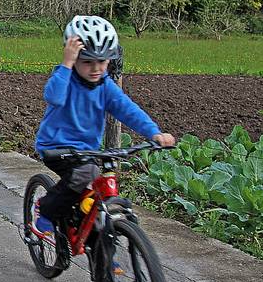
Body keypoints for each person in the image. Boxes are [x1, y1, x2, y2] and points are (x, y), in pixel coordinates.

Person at [33, 15, 176, 238]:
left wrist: (154, 132)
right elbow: (54, 96)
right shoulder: (65, 79)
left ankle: (103, 261)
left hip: (87, 149)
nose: (95, 69)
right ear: (75, 59)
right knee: (86, 173)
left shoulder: (106, 87)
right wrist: (66, 64)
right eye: (87, 61)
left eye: (102, 62)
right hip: (56, 146)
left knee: (97, 201)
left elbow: (127, 109)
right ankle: (46, 209)